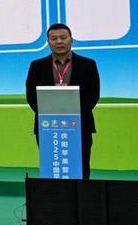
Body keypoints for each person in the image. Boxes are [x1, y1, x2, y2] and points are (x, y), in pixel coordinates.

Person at [25, 22, 101, 177]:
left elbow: (93, 95)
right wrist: (50, 114)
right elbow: (31, 96)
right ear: (48, 42)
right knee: (52, 166)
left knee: (81, 166)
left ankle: (81, 193)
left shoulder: (88, 64)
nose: (59, 41)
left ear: (71, 40)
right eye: (54, 38)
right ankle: (54, 194)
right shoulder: (37, 66)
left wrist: (72, 115)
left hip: (80, 125)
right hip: (48, 126)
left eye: (63, 37)